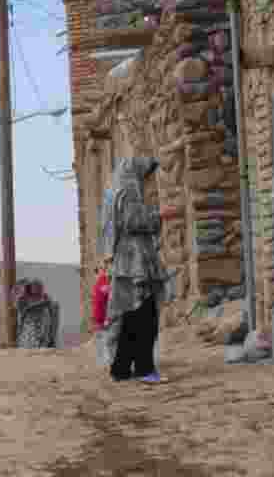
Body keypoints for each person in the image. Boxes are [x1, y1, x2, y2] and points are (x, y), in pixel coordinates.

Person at [102, 157, 169, 384]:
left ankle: (121, 369)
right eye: (145, 174)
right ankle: (143, 368)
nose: (147, 180)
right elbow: (132, 221)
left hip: (127, 262)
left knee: (132, 315)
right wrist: (159, 217)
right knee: (144, 317)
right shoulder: (130, 192)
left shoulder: (117, 192)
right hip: (135, 262)